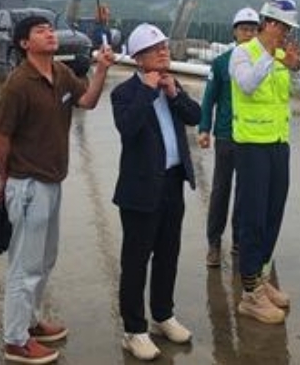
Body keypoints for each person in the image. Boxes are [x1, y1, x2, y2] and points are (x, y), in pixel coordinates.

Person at [0, 15, 115, 364]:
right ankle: (15, 340)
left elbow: (86, 101)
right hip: (28, 184)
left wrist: (101, 70)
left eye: (49, 28)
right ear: (24, 43)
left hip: (52, 180)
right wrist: (6, 178)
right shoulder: (18, 84)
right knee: (24, 265)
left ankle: (29, 322)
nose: (49, 33)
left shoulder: (60, 73)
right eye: (40, 30)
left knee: (44, 260)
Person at [111, 23, 201, 360]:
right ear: (138, 58)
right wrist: (148, 91)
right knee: (136, 260)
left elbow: (195, 115)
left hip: (173, 182)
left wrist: (173, 93)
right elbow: (128, 128)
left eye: (164, 46)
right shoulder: (125, 93)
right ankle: (134, 330)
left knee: (168, 252)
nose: (164, 52)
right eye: (155, 49)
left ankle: (163, 315)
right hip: (140, 189)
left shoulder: (171, 84)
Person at [229, 0, 300, 324]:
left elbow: (297, 92)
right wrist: (268, 54)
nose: (286, 33)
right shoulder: (243, 53)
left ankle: (260, 279)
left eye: (289, 28)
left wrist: (295, 67)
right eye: (283, 27)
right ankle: (250, 294)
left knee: (273, 214)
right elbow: (247, 85)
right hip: (251, 147)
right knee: (253, 219)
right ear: (270, 23)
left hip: (278, 144)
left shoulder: (281, 56)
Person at [198, 7, 259, 268]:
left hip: (252, 137)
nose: (249, 34)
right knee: (221, 190)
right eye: (244, 29)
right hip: (226, 135)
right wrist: (204, 128)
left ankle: (238, 241)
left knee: (246, 192)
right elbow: (209, 98)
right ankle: (214, 243)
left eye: (254, 29)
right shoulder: (222, 62)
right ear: (235, 31)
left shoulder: (262, 61)